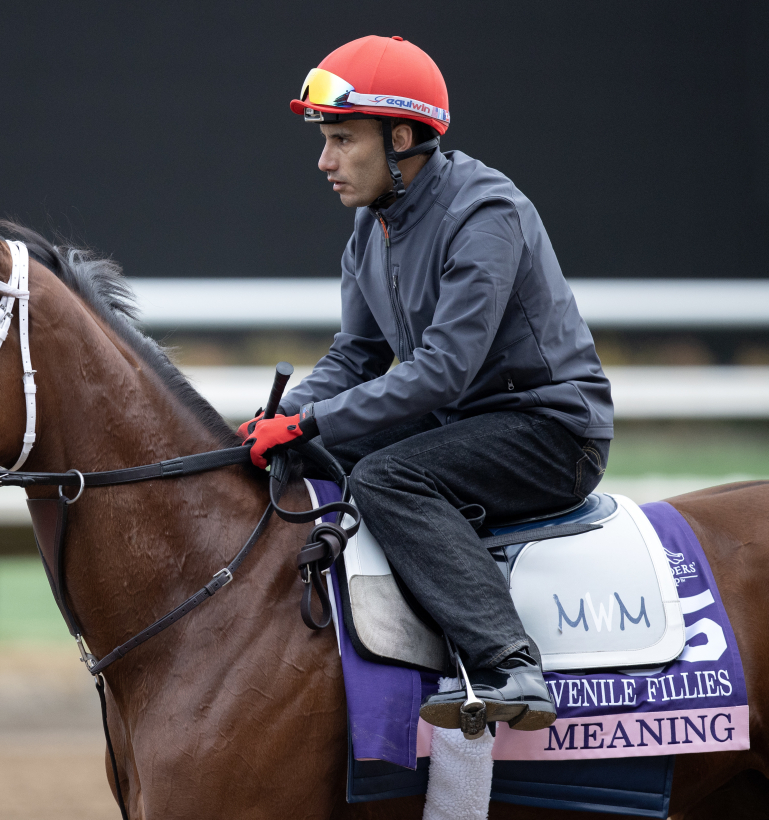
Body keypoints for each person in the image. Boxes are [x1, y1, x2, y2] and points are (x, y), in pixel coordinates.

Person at [238, 35, 613, 733]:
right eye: (324, 140)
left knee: (385, 476)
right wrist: (279, 419)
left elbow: (442, 370)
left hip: (553, 432)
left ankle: (508, 664)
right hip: (462, 424)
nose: (324, 161)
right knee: (305, 451)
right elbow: (355, 355)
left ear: (401, 138)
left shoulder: (486, 213)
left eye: (342, 139)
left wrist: (310, 420)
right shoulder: (370, 228)